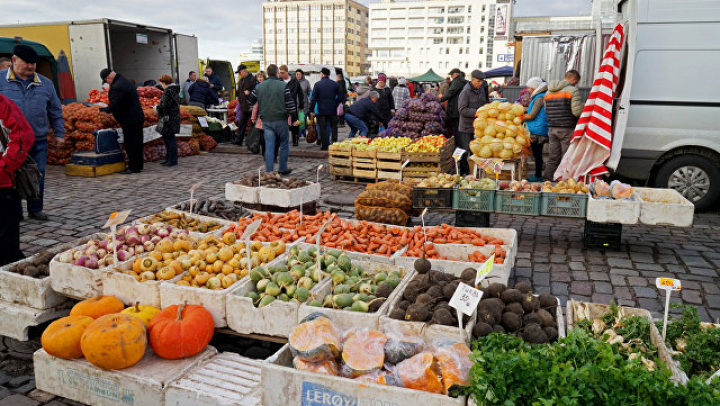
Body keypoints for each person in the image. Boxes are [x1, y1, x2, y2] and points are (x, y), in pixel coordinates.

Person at [0, 45, 64, 221]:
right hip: (10, 142)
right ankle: (15, 211)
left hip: (38, 139)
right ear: (14, 60)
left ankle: (35, 209)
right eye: (27, 63)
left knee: (37, 175)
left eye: (33, 64)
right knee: (10, 177)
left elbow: (55, 110)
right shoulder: (0, 81)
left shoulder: (45, 83)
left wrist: (59, 133)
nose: (31, 66)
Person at [0, 94, 34, 265]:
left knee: (6, 241)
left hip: (2, 184)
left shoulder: (4, 105)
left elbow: (23, 136)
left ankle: (11, 274)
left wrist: (4, 167)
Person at [246, 64, 298, 174]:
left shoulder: (259, 86)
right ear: (277, 73)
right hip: (281, 119)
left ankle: (269, 171)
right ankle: (282, 168)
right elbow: (291, 104)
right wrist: (294, 119)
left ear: (267, 73)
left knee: (269, 145)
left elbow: (250, 100)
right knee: (284, 143)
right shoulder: (283, 85)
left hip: (266, 120)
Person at [99, 68, 144, 174]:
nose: (107, 83)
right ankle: (138, 165)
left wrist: (105, 111)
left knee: (130, 144)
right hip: (136, 117)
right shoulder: (125, 80)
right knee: (137, 143)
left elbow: (115, 104)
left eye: (106, 81)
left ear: (108, 78)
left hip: (129, 119)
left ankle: (133, 167)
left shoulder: (116, 86)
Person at [543, 70, 582, 181]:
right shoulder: (573, 90)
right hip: (566, 128)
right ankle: (564, 181)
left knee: (553, 156)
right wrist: (584, 107)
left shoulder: (548, 92)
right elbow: (576, 112)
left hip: (552, 128)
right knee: (567, 156)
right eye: (576, 82)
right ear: (573, 79)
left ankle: (547, 179)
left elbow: (546, 110)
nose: (576, 84)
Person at [457, 70, 488, 176]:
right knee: (466, 150)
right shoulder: (465, 92)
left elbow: (484, 103)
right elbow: (462, 110)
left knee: (478, 150)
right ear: (472, 79)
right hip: (466, 127)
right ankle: (465, 172)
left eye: (482, 81)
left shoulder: (482, 90)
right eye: (478, 81)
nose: (480, 83)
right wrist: (478, 112)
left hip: (479, 127)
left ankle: (475, 172)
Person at [309, 67, 344, 150]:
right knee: (334, 127)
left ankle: (324, 145)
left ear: (322, 74)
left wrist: (311, 109)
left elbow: (313, 98)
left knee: (323, 127)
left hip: (322, 110)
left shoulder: (317, 84)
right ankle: (334, 143)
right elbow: (341, 96)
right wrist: (336, 103)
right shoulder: (335, 84)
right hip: (332, 109)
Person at [522, 77, 549, 182]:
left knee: (537, 154)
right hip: (537, 128)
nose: (528, 90)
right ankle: (538, 174)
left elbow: (532, 115)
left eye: (530, 87)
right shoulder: (539, 96)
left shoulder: (539, 98)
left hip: (538, 130)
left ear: (536, 87)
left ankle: (538, 175)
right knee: (537, 153)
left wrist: (519, 118)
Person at [156, 74, 181, 167]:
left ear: (164, 82)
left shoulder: (168, 91)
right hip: (172, 118)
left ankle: (171, 159)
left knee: (169, 139)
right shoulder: (174, 91)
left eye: (161, 82)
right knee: (170, 139)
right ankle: (170, 159)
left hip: (167, 118)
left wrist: (157, 108)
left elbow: (165, 105)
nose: (160, 84)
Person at [280, 65, 304, 146]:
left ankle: (295, 140)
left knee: (295, 123)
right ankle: (283, 140)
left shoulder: (294, 81)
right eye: (280, 73)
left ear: (287, 72)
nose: (281, 74)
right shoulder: (279, 81)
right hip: (281, 106)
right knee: (282, 124)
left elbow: (300, 94)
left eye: (282, 73)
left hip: (293, 105)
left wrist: (301, 105)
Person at [441, 68, 467, 138]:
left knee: (456, 127)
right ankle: (462, 142)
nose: (451, 77)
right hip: (461, 107)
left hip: (455, 108)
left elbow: (450, 93)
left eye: (451, 75)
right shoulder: (464, 82)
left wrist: (440, 99)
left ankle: (459, 144)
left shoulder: (457, 82)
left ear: (455, 74)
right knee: (460, 127)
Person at [233, 64, 256, 146]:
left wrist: (249, 94)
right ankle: (238, 141)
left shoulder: (253, 79)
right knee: (241, 124)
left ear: (244, 71)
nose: (239, 74)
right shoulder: (241, 80)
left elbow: (257, 90)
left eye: (240, 72)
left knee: (254, 125)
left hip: (252, 106)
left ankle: (254, 142)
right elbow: (239, 92)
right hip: (244, 106)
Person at [295, 69, 311, 139]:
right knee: (297, 119)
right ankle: (299, 134)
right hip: (295, 104)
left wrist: (310, 100)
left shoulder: (306, 82)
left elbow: (309, 92)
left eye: (299, 74)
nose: (298, 76)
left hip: (303, 104)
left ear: (302, 75)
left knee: (302, 119)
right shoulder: (293, 82)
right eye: (297, 74)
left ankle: (303, 132)